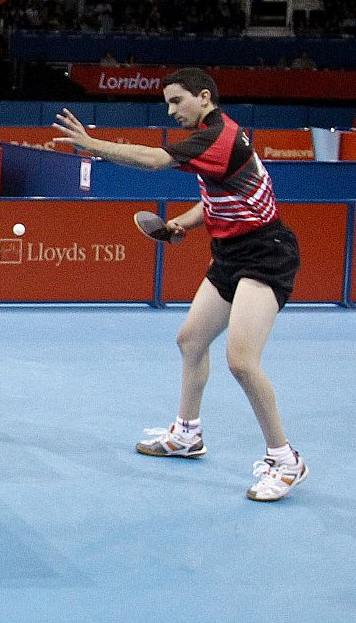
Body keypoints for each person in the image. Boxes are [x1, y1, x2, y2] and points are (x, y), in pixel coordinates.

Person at [52, 67, 308, 502]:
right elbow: (220, 197)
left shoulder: (216, 137)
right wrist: (181, 223)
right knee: (191, 340)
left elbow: (154, 161)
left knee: (242, 362)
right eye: (167, 103)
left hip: (267, 254)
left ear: (203, 97)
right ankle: (187, 434)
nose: (170, 111)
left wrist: (92, 145)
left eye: (176, 101)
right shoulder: (218, 134)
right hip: (231, 254)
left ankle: (285, 460)